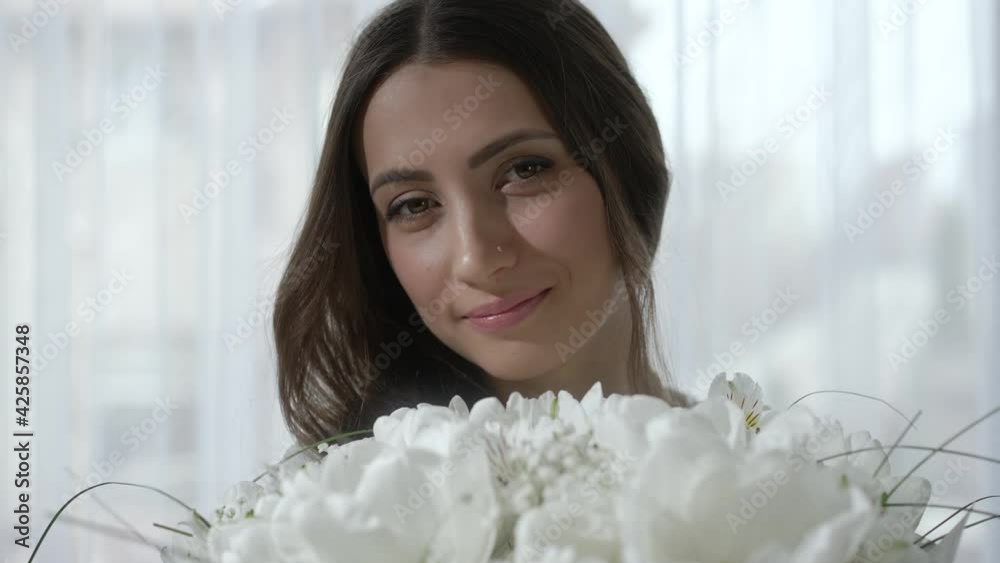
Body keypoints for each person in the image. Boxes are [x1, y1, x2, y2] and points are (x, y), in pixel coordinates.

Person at [272, 0, 689, 447]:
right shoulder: (337, 504)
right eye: (414, 206)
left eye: (524, 171)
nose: (475, 257)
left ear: (633, 174)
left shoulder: (765, 469)